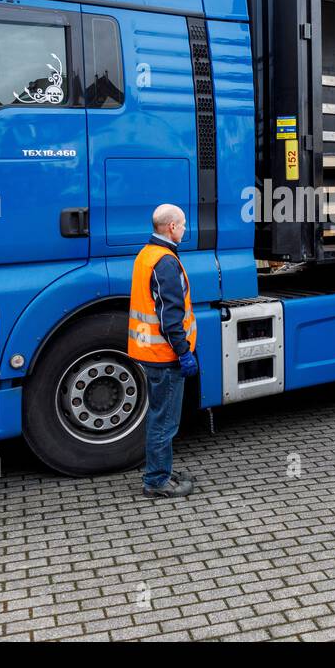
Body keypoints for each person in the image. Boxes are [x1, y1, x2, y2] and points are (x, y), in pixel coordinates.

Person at [128, 204, 199, 499]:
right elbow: (170, 316)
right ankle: (156, 481)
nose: (185, 229)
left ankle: (161, 470)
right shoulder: (165, 262)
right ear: (171, 227)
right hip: (164, 356)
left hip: (150, 351)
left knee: (160, 416)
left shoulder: (147, 254)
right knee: (165, 421)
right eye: (182, 225)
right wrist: (183, 352)